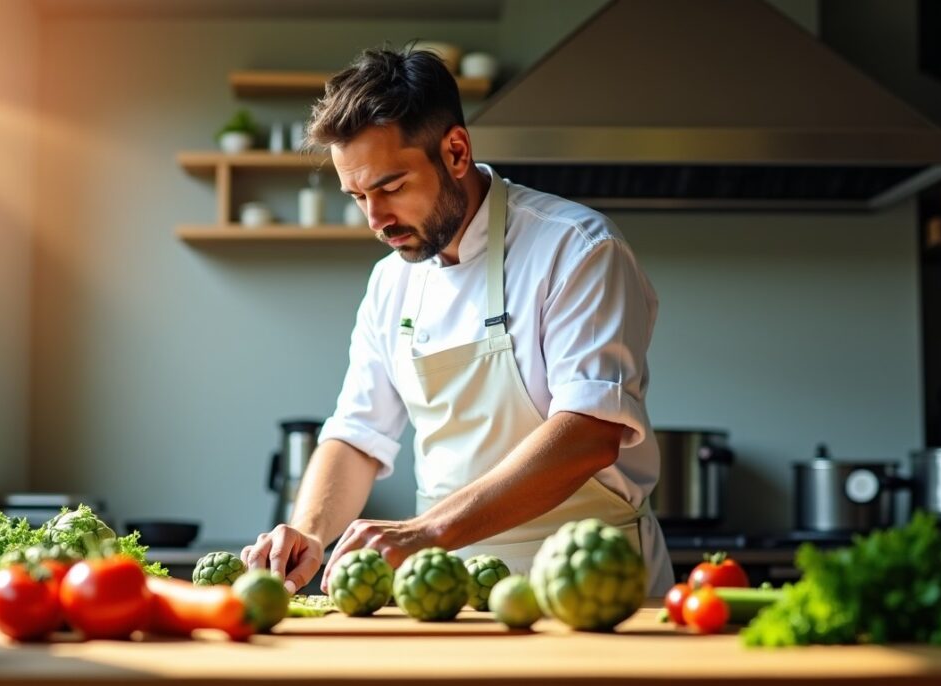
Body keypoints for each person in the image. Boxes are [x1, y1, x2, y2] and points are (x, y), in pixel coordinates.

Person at [242, 46, 675, 598]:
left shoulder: (578, 249)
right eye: (357, 197)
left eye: (391, 187)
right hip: (445, 590)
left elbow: (589, 434)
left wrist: (426, 532)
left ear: (456, 151)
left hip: (595, 583)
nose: (375, 219)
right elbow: (356, 435)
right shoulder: (391, 282)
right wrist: (308, 531)